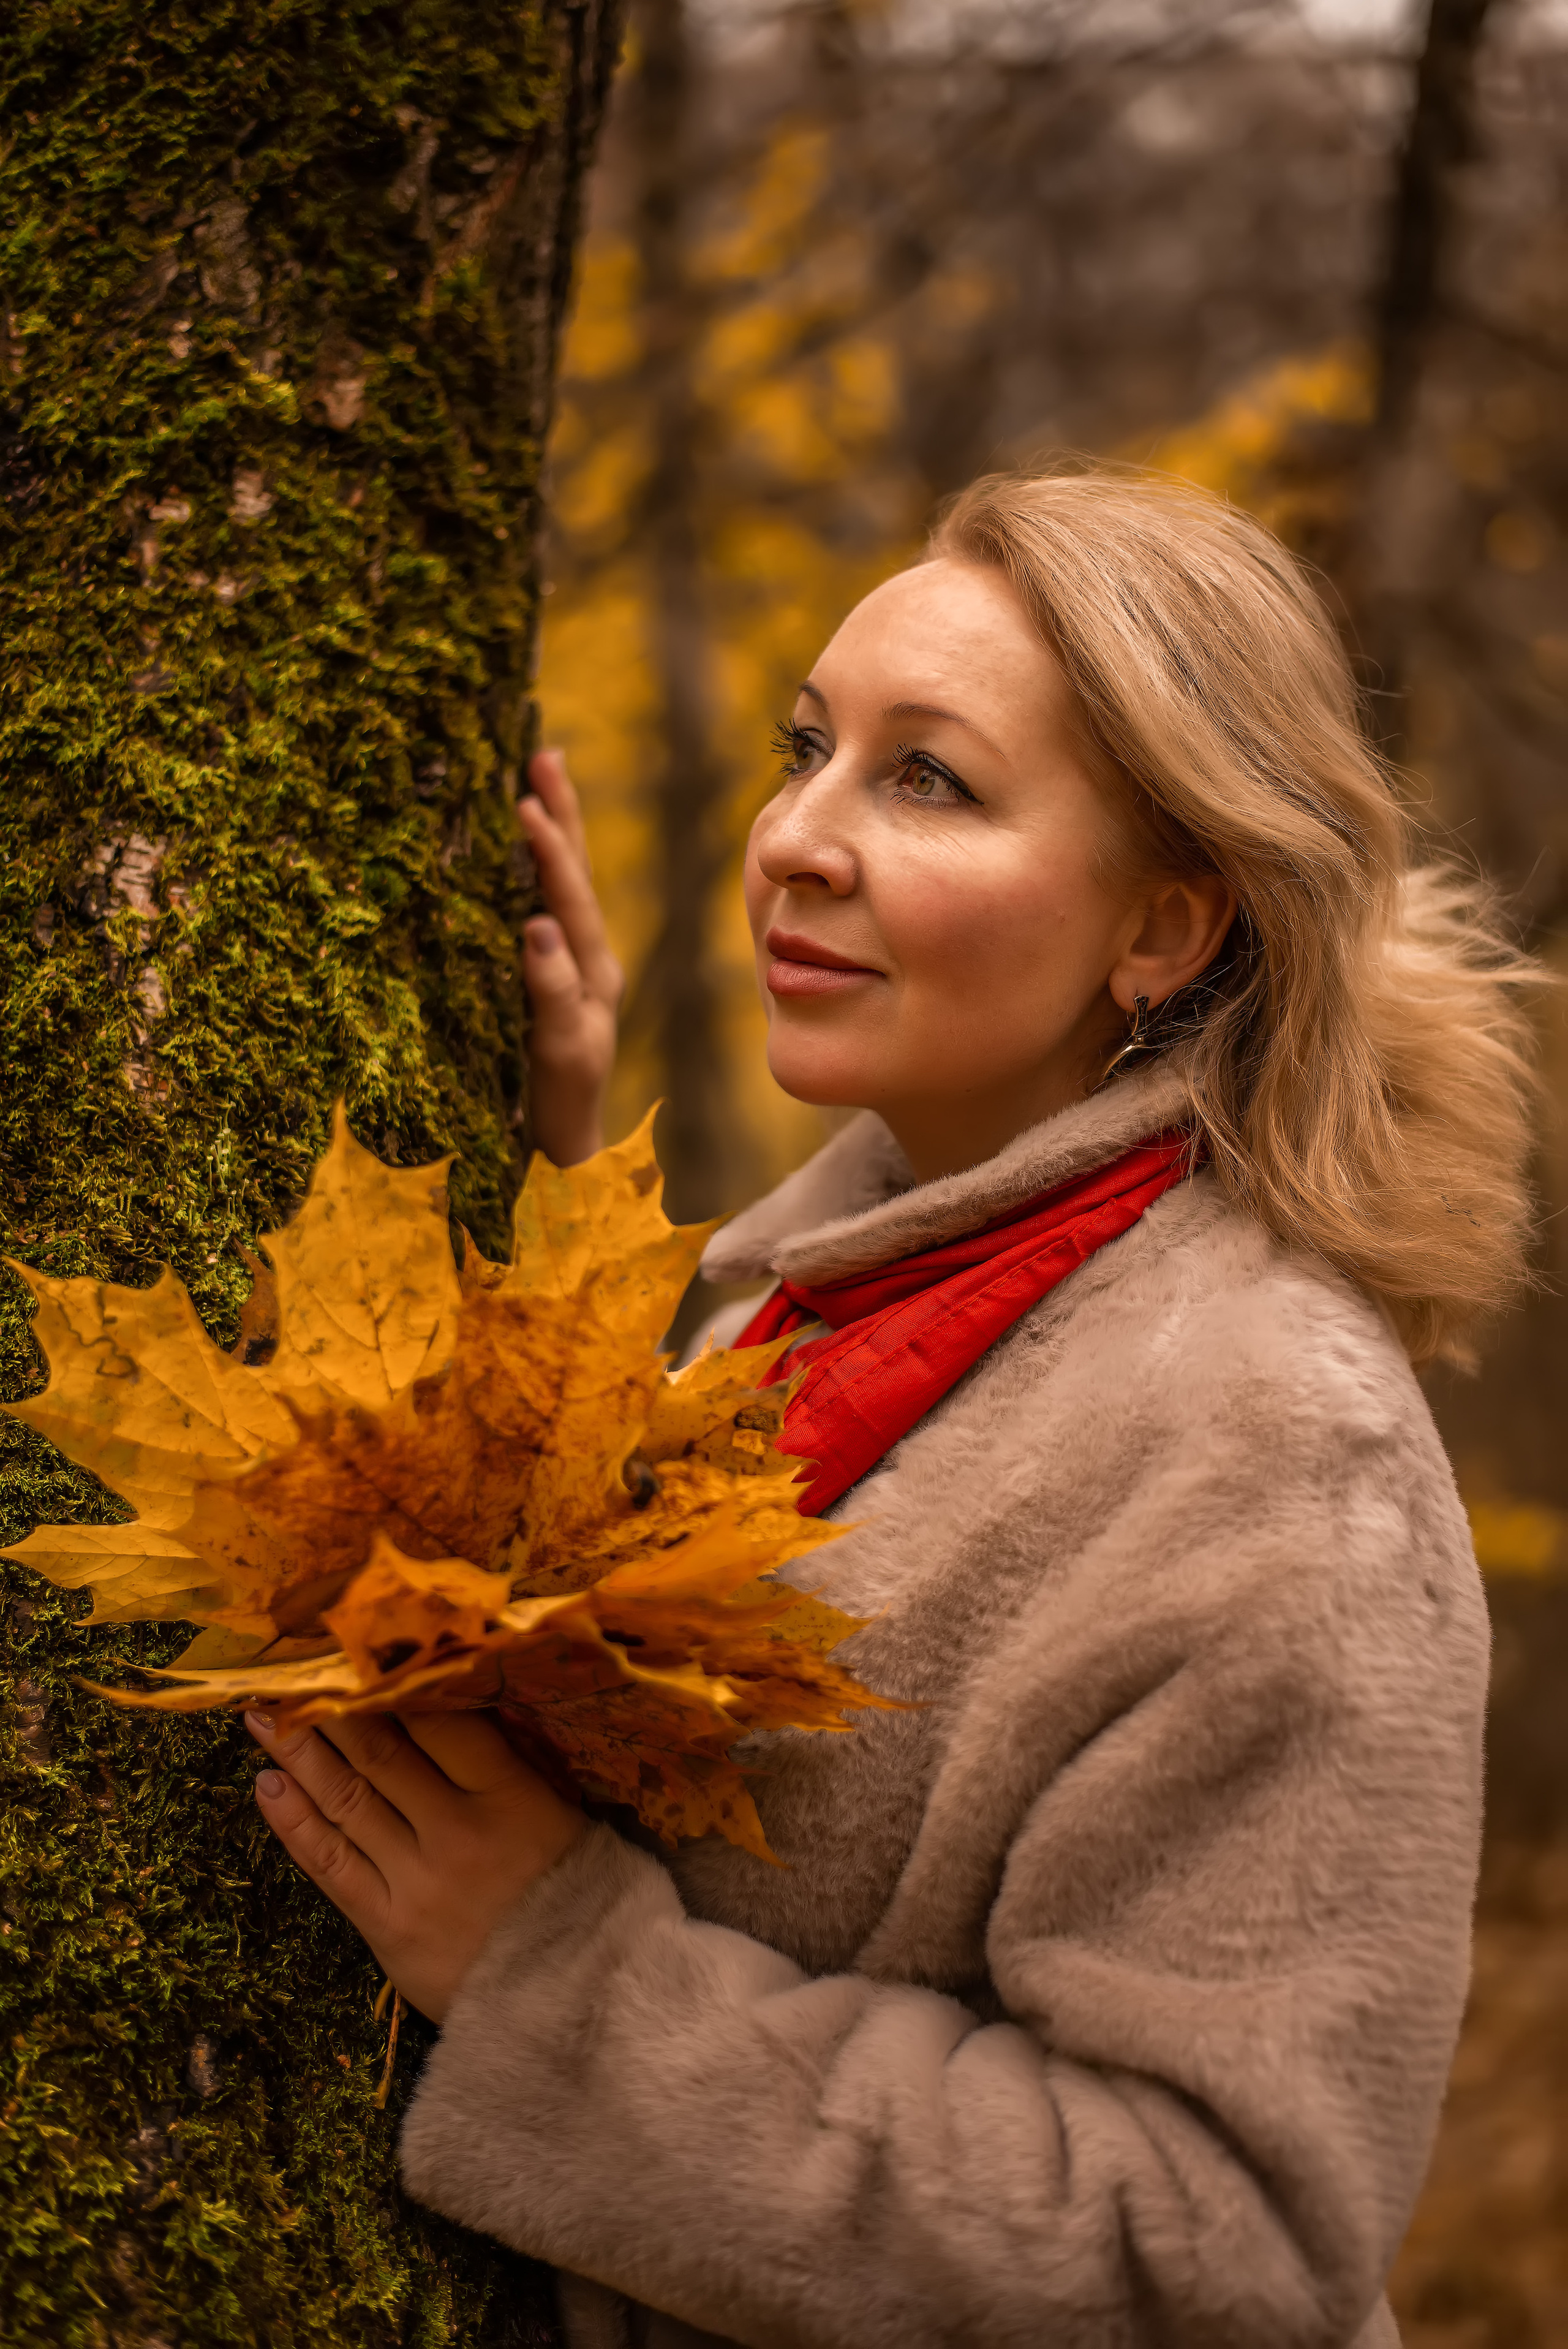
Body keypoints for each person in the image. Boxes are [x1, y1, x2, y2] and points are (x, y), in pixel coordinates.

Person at [244, 464, 1538, 2349]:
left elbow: (1219, 2254)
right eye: (809, 747)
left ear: (1165, 929)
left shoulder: (1276, 1449)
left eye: (927, 778)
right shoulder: (837, 1294)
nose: (797, 837)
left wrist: (562, 1985)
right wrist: (532, 1155)